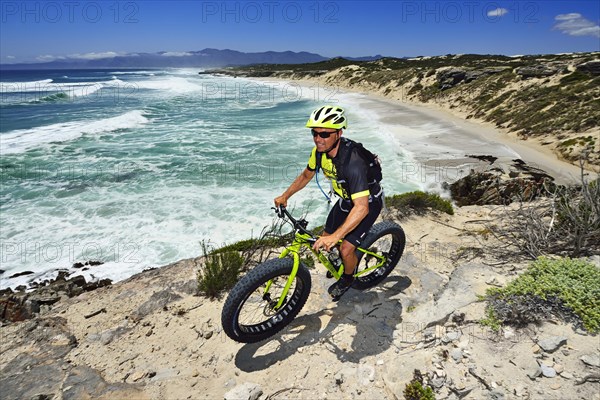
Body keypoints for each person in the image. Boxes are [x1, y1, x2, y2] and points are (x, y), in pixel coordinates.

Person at [274, 105, 383, 300]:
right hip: (346, 200)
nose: (318, 139)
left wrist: (337, 237)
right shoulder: (319, 153)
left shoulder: (353, 163)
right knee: (324, 237)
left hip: (368, 203)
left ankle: (348, 279)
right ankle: (337, 263)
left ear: (338, 133)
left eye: (324, 134)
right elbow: (307, 175)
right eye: (314, 133)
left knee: (345, 248)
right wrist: (285, 196)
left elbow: (362, 207)